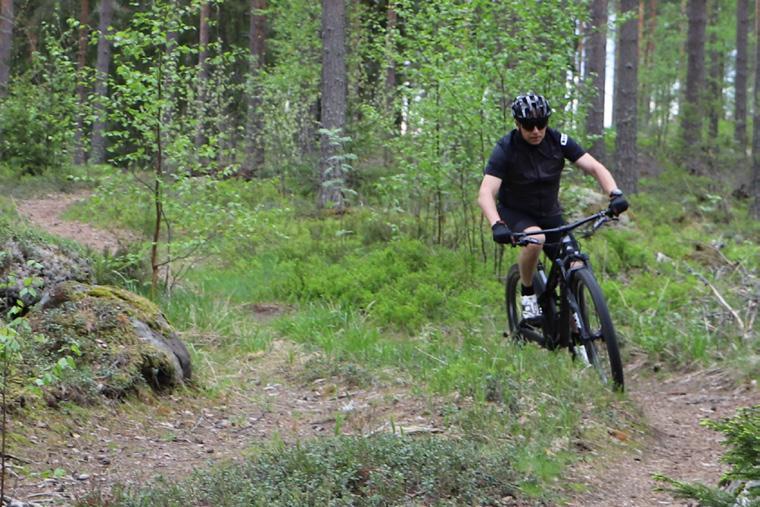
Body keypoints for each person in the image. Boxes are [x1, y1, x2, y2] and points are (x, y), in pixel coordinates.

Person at [477, 93, 628, 320]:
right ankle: (528, 293)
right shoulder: (506, 148)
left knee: (575, 263)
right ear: (517, 124)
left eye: (542, 124)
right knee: (536, 239)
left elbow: (594, 167)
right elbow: (485, 193)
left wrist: (614, 193)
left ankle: (575, 323)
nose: (536, 131)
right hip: (515, 212)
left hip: (549, 213)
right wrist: (496, 224)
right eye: (529, 126)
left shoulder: (558, 140)